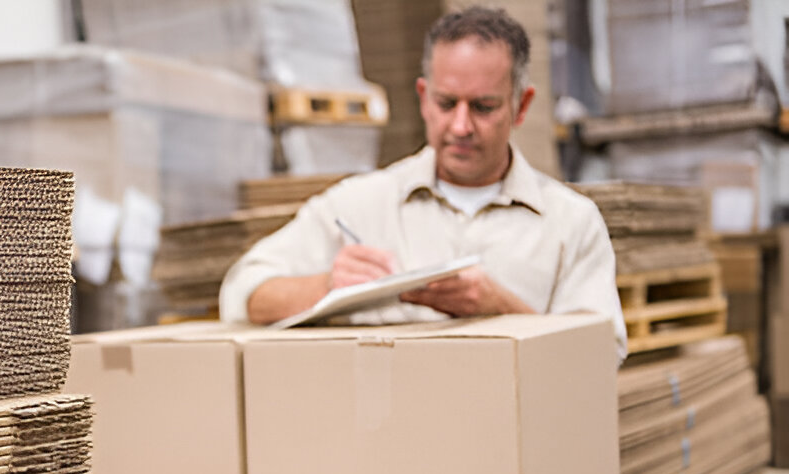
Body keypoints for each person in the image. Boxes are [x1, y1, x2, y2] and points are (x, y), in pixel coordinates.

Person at [219, 6, 627, 360]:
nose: (461, 126)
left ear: (521, 106)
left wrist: (501, 310)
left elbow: (599, 358)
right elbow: (241, 294)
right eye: (446, 104)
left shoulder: (571, 223)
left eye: (484, 107)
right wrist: (327, 286)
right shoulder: (360, 204)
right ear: (423, 97)